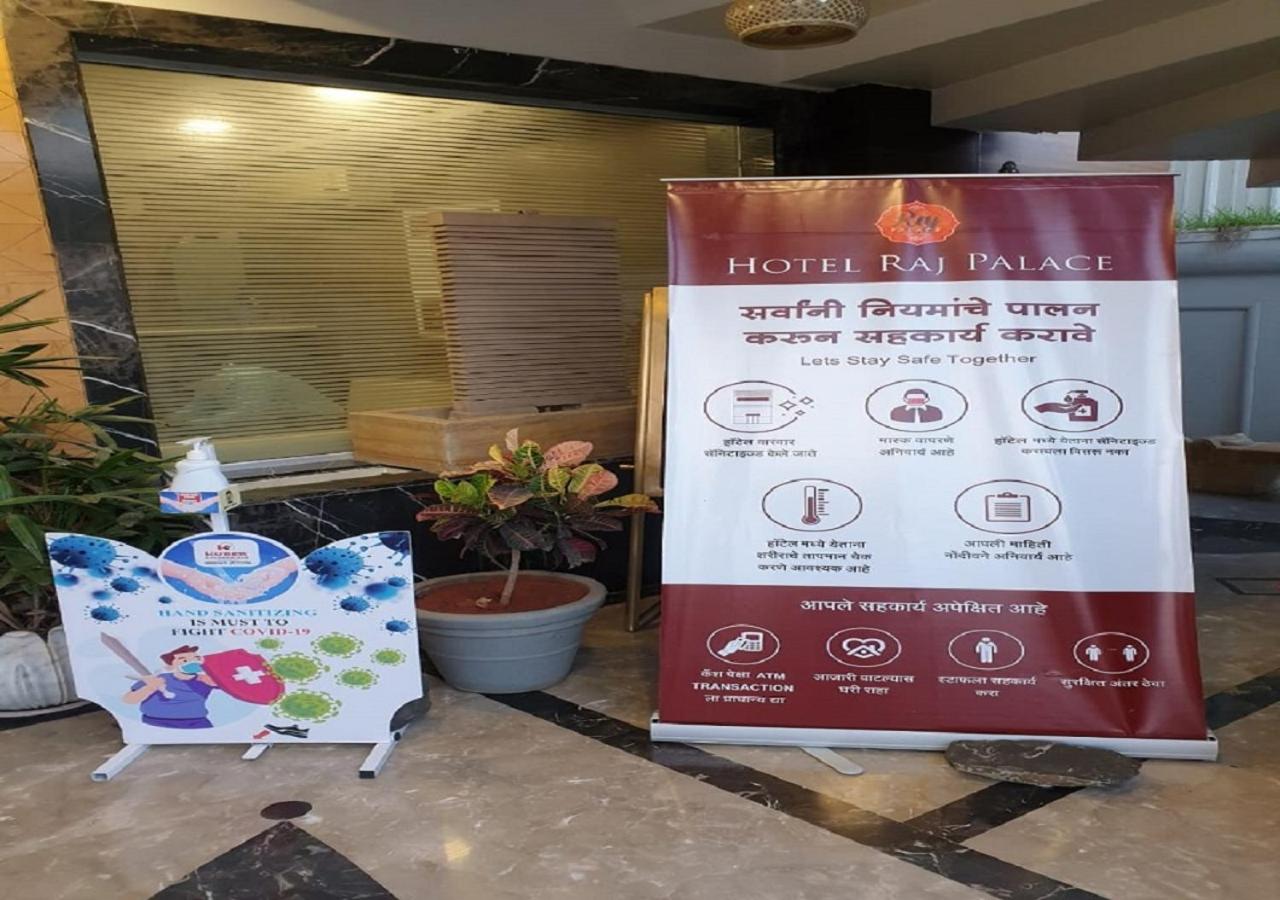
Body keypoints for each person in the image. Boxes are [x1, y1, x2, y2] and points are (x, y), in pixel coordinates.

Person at [122, 645, 219, 728]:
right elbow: (128, 699)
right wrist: (150, 687)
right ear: (170, 666)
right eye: (184, 660)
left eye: (196, 659)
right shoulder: (157, 679)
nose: (192, 662)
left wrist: (216, 680)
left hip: (196, 723)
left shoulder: (205, 680)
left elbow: (228, 684)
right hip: (155, 723)